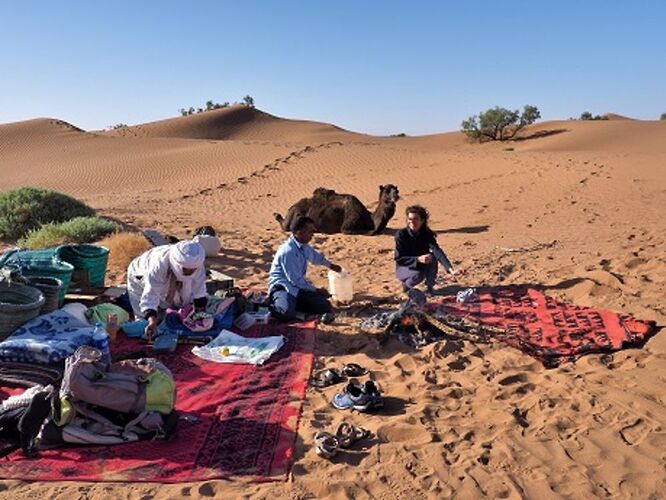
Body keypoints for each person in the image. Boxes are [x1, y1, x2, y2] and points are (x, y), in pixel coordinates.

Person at [127, 240, 208, 337]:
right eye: (186, 270)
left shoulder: (197, 264)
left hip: (166, 276)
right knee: (144, 323)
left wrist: (200, 314)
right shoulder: (158, 266)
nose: (189, 272)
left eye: (192, 270)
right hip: (140, 274)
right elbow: (150, 295)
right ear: (177, 264)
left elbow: (199, 290)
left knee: (182, 305)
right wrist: (152, 322)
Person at [268, 216, 342, 321]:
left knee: (324, 305)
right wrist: (316, 290)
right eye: (310, 231)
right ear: (299, 233)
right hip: (284, 287)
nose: (312, 235)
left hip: (297, 288)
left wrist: (331, 265)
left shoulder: (303, 246)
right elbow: (295, 280)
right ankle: (269, 304)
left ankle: (293, 304)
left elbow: (316, 257)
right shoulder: (288, 252)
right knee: (284, 313)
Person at [394, 205, 460, 294]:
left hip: (421, 265)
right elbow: (399, 258)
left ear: (422, 220)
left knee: (432, 258)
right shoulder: (401, 235)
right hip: (405, 267)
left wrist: (451, 269)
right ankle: (407, 287)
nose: (412, 222)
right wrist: (417, 259)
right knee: (418, 275)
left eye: (415, 219)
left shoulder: (427, 234)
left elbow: (437, 251)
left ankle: (430, 288)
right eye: (410, 219)